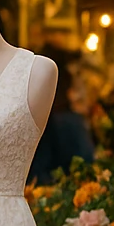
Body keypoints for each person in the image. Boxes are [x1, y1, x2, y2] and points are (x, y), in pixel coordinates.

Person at [28, 49, 95, 185]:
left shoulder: (32, 114)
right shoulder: (69, 121)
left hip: (36, 190)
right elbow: (86, 162)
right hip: (61, 190)